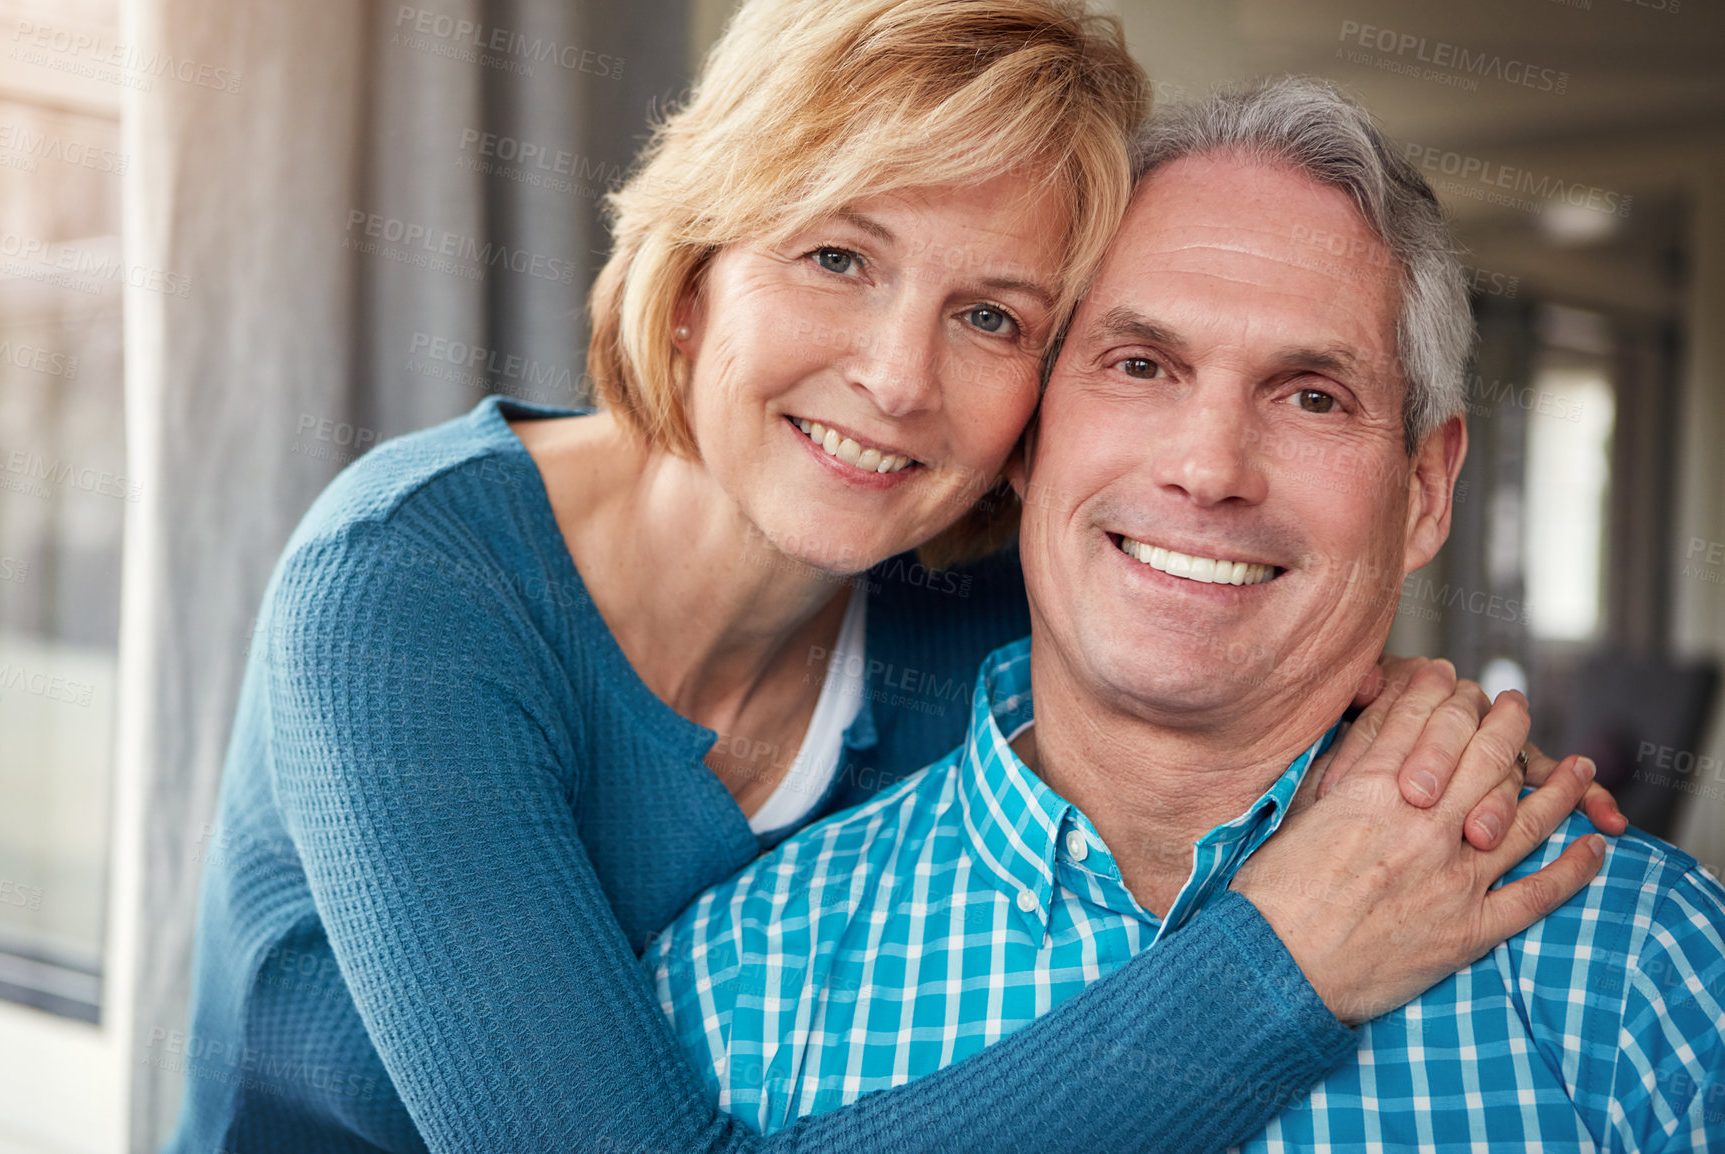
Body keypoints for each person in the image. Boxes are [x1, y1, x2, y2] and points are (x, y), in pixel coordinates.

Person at [164, 4, 1620, 1150]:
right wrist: (1280, 959)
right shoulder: (405, 592)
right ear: (696, 269)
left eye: (991, 314)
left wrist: (1414, 747)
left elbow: (1227, 624)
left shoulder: (962, 590)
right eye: (837, 256)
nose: (895, 377)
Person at [645, 78, 1725, 1151]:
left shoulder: (1641, 967)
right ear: (1028, 437)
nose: (1210, 469)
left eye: (1312, 394)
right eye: (1140, 364)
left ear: (1427, 492)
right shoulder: (747, 976)